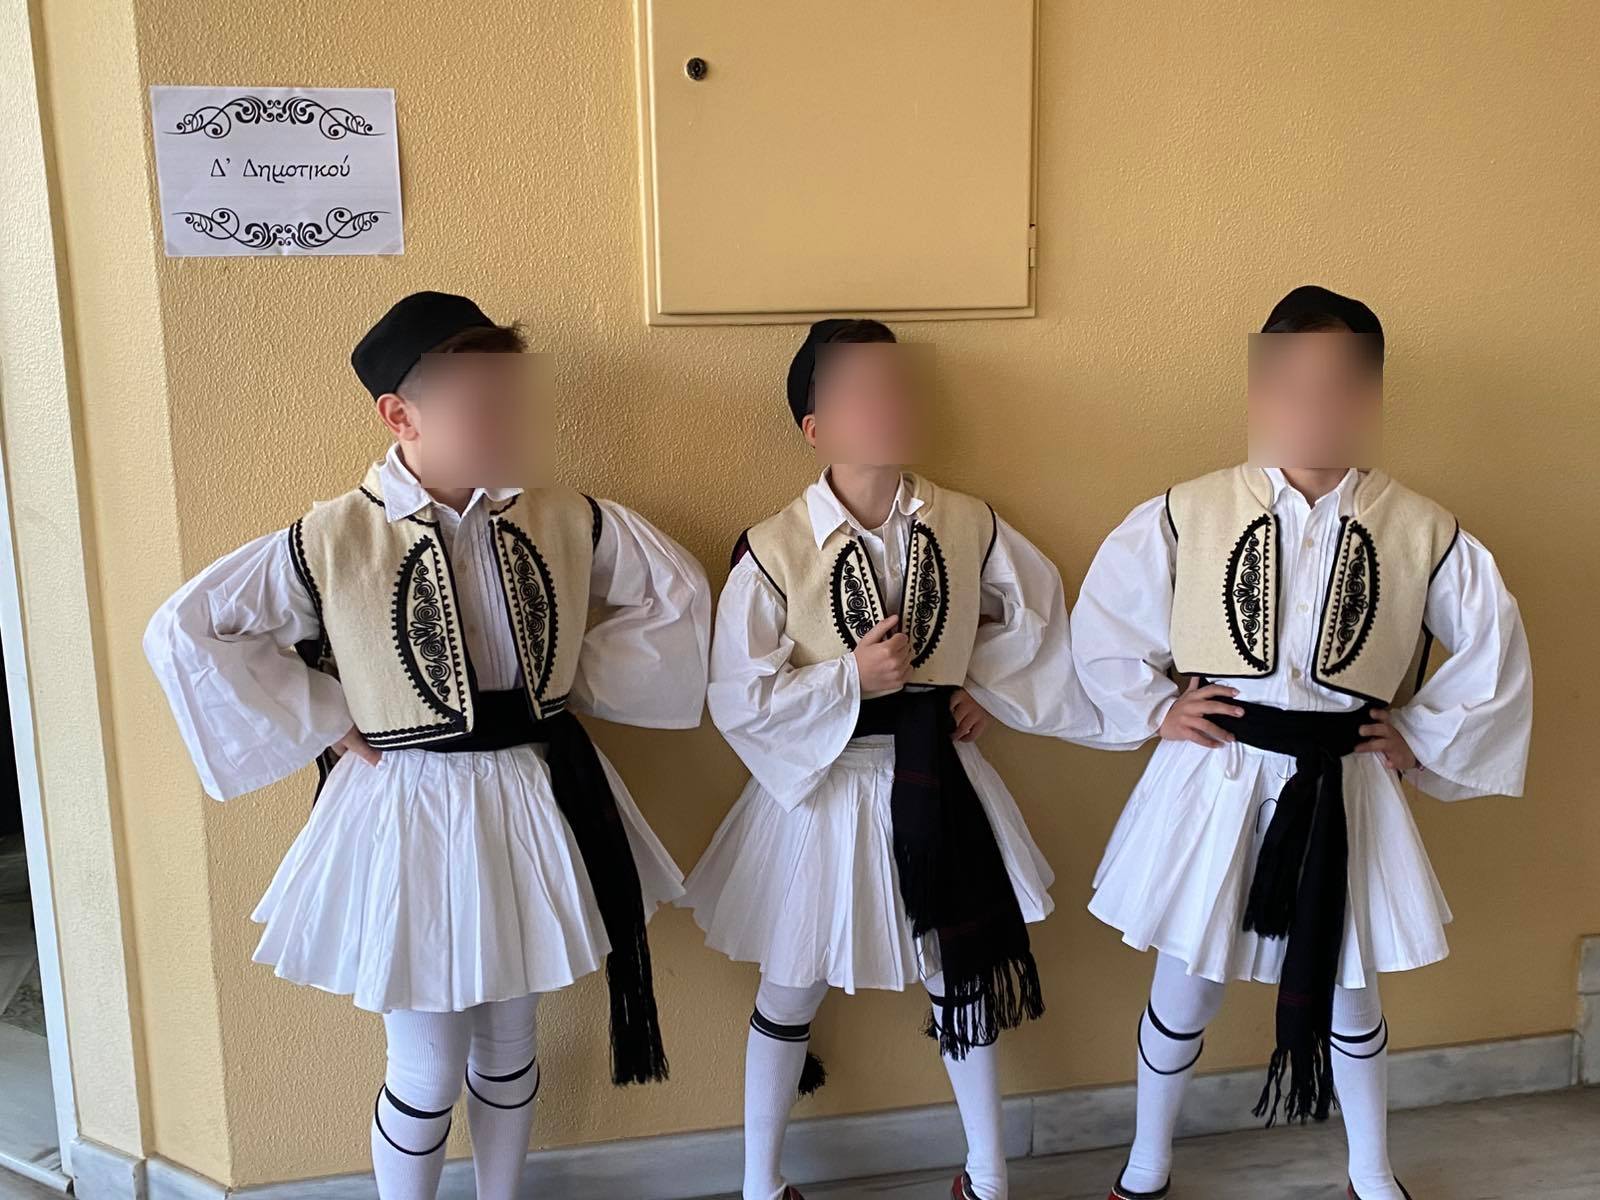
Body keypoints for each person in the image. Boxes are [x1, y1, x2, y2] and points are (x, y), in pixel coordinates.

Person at [144, 291, 711, 1200]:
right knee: (427, 1064)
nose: (504, 424)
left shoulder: (564, 516)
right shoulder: (335, 536)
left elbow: (675, 595)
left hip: (530, 794)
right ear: (400, 416)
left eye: (511, 402)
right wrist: (325, 717)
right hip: (409, 809)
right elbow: (187, 629)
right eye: (479, 406)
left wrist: (569, 677)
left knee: (510, 1041)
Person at [1071, 286, 1533, 1200]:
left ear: (1370, 397)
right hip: (1216, 778)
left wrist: (1421, 736)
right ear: (1260, 392)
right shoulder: (1189, 510)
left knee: (1351, 986)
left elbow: (1493, 648)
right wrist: (1154, 708)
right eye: (1294, 384)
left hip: (1345, 780)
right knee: (1187, 979)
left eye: (1340, 385)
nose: (1316, 405)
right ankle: (1146, 1162)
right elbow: (1104, 623)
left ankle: (1371, 1172)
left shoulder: (1421, 529)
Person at [680, 318, 1101, 1200]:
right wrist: (850, 679)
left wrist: (988, 689)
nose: (889, 406)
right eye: (862, 393)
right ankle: (760, 1184)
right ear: (815, 426)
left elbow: (1038, 611)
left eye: (899, 388)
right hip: (823, 791)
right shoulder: (776, 546)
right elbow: (739, 692)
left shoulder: (967, 521)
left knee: (959, 966)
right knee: (790, 985)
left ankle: (989, 1175)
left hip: (939, 777)